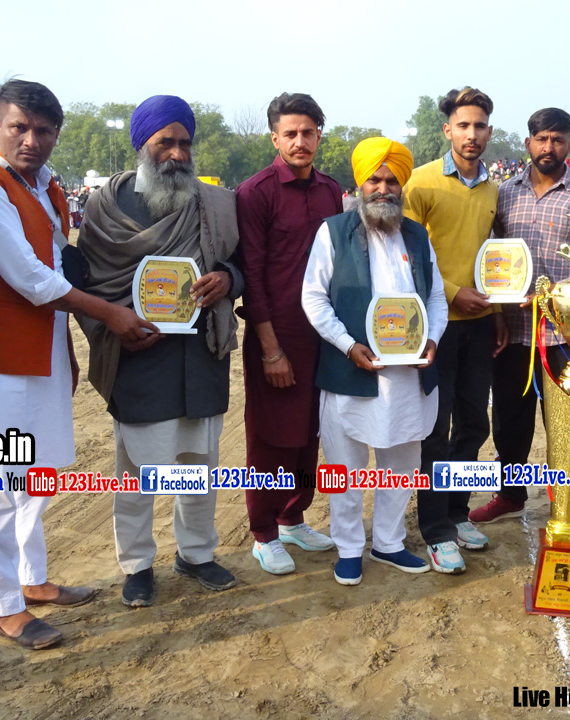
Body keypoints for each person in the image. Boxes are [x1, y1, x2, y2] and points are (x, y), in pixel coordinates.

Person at [0, 80, 159, 648]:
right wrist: (110, 315)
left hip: (41, 355)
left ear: (56, 134)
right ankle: (3, 605)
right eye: (19, 128)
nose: (31, 140)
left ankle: (32, 579)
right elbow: (30, 278)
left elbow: (61, 265)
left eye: (43, 131)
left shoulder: (45, 188)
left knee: (36, 477)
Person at [77, 95, 243, 606]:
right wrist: (115, 326)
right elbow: (88, 283)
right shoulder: (105, 206)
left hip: (200, 354)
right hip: (138, 356)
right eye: (164, 142)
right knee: (136, 471)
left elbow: (241, 263)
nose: (176, 153)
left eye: (184, 143)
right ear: (141, 144)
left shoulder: (214, 203)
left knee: (199, 466)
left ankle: (196, 553)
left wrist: (228, 279)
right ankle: (137, 565)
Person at [300, 137, 448, 585]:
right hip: (351, 371)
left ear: (402, 186)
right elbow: (313, 298)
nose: (383, 189)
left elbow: (436, 298)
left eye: (391, 181)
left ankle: (388, 542)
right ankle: (348, 548)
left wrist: (432, 339)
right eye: (374, 180)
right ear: (359, 184)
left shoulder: (417, 235)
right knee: (344, 468)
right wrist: (348, 345)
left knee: (401, 465)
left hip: (407, 376)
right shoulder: (333, 232)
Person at [468, 108, 570, 525]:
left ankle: (569, 496)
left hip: (564, 333)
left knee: (564, 421)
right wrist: (497, 308)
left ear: (569, 145)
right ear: (528, 143)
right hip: (512, 331)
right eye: (542, 139)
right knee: (509, 421)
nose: (549, 147)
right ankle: (509, 496)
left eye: (558, 140)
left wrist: (556, 295)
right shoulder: (504, 193)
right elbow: (490, 256)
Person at [235, 92, 342, 576]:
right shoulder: (255, 193)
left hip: (322, 333)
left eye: (309, 132)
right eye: (291, 133)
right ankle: (264, 533)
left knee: (309, 432)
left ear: (319, 135)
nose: (301, 141)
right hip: (276, 335)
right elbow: (252, 276)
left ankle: (293, 517)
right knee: (271, 437)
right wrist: (270, 348)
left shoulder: (330, 191)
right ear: (274, 138)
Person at [402, 87, 503, 573]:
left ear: (489, 131)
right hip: (435, 326)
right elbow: (405, 256)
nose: (472, 134)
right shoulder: (420, 183)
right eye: (463, 125)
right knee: (434, 430)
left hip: (479, 325)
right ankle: (436, 528)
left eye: (480, 125)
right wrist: (451, 291)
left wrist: (496, 312)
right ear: (447, 130)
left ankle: (458, 512)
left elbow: (492, 258)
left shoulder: (493, 190)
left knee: (473, 423)